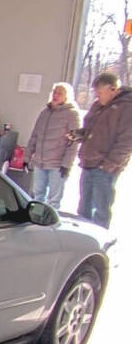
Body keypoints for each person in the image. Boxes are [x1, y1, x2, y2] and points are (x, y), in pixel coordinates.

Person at [71, 72, 132, 228]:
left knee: (101, 209)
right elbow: (89, 129)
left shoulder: (127, 107)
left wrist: (110, 163)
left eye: (100, 93)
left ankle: (99, 241)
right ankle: (83, 238)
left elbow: (127, 140)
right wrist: (78, 134)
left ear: (113, 89)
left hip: (106, 167)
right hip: (88, 163)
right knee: (83, 206)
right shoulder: (98, 106)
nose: (97, 97)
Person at [23, 82, 80, 209]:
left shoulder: (72, 114)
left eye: (60, 93)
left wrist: (67, 164)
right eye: (55, 92)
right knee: (38, 196)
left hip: (57, 165)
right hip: (40, 163)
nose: (56, 95)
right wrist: (27, 158)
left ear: (66, 96)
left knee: (54, 200)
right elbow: (34, 136)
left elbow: (74, 142)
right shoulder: (45, 113)